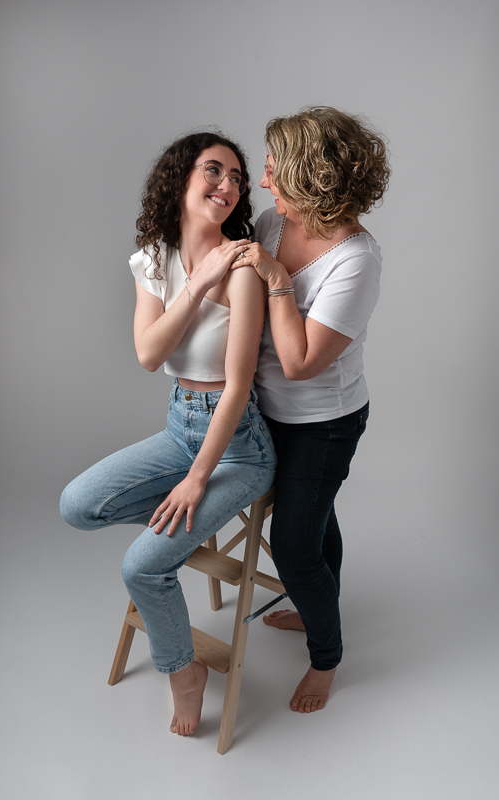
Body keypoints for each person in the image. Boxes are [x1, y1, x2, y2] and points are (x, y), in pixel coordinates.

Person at [60, 132, 276, 737]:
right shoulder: (154, 257)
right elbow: (149, 354)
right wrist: (196, 284)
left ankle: (183, 672)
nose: (229, 186)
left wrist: (197, 481)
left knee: (142, 568)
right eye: (214, 171)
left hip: (237, 448)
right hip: (178, 425)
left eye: (237, 177)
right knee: (78, 504)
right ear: (181, 178)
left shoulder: (243, 267)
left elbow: (236, 389)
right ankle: (180, 532)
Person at [234, 107, 390, 714]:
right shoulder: (274, 222)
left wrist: (274, 279)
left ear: (308, 177)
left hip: (324, 424)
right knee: (314, 519)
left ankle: (327, 657)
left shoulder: (357, 259)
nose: (264, 182)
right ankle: (314, 604)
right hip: (267, 411)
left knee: (294, 545)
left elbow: (301, 363)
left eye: (274, 170)